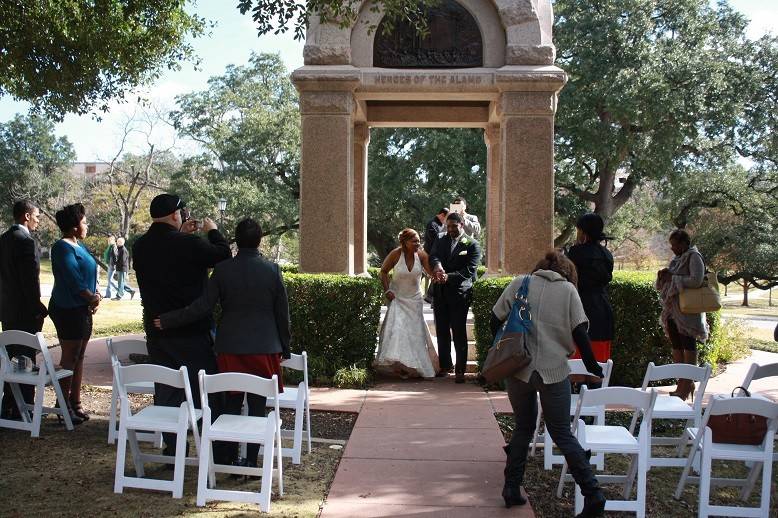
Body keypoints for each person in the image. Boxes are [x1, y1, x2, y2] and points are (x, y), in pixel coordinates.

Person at [154, 218, 290, 468]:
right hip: (264, 347)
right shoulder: (272, 270)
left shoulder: (224, 270)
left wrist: (170, 319)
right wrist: (285, 346)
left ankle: (227, 457)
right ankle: (250, 461)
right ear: (260, 240)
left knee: (231, 404)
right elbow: (282, 314)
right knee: (258, 407)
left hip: (230, 347)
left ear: (236, 240)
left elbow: (203, 307)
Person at [490, 251, 606, 516]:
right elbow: (580, 332)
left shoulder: (520, 282)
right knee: (561, 432)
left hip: (519, 369)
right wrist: (591, 366)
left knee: (523, 427)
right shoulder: (568, 291)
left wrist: (501, 349)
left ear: (540, 267)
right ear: (567, 271)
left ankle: (511, 487)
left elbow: (495, 317)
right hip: (554, 371)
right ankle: (593, 494)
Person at [133, 193, 231, 458]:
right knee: (205, 391)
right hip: (192, 330)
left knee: (167, 391)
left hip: (157, 331)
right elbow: (222, 256)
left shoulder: (139, 246)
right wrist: (213, 232)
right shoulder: (188, 244)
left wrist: (187, 236)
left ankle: (174, 450)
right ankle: (217, 450)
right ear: (177, 215)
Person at [49, 203, 100, 424]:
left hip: (82, 309)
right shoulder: (62, 247)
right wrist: (90, 297)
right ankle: (62, 406)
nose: (87, 225)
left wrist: (95, 295)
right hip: (67, 309)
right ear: (74, 226)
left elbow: (89, 274)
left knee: (79, 357)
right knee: (69, 357)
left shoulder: (79, 245)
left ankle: (75, 402)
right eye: (84, 222)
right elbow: (73, 279)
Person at [0, 200, 48, 419]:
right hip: (25, 311)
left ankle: (9, 403)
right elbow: (29, 281)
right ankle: (26, 406)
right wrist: (38, 307)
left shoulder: (4, 239)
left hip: (8, 309)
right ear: (26, 216)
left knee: (11, 357)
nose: (38, 220)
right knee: (26, 357)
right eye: (36, 216)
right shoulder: (26, 241)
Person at [375, 228, 439, 379]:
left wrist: (438, 274)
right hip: (397, 298)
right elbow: (383, 271)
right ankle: (399, 366)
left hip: (415, 300)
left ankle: (414, 366)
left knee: (414, 334)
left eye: (419, 241)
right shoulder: (396, 254)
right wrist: (387, 290)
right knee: (398, 331)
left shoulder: (421, 255)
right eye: (414, 241)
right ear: (404, 242)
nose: (418, 243)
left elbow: (431, 272)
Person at [429, 212, 481, 383]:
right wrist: (437, 266)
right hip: (440, 293)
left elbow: (469, 271)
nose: (450, 229)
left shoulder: (472, 244)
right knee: (442, 331)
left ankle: (460, 370)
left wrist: (448, 277)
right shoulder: (441, 239)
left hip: (460, 295)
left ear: (461, 225)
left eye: (454, 226)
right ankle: (445, 366)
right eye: (448, 226)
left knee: (458, 332)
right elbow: (433, 255)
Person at [656, 229, 707, 400]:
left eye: (675, 245)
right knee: (676, 346)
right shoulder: (677, 259)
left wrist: (674, 278)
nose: (673, 248)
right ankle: (682, 382)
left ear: (685, 243)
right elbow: (673, 277)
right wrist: (665, 276)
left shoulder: (694, 257)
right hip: (673, 310)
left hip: (688, 312)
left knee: (688, 346)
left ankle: (687, 382)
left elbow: (697, 280)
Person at [566, 213, 614, 388]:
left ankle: (574, 413)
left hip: (579, 310)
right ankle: (594, 412)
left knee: (576, 368)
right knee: (597, 367)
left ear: (583, 232)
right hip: (602, 311)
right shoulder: (607, 254)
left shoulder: (575, 253)